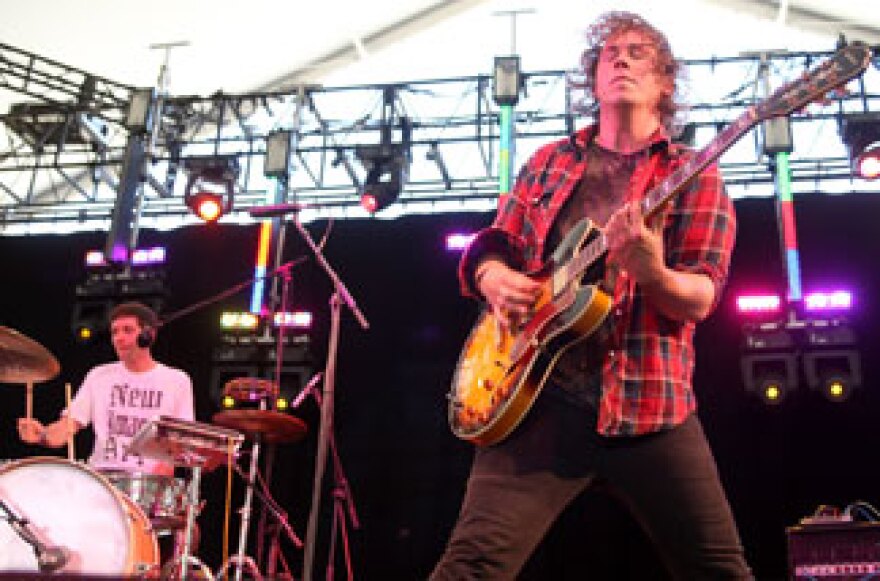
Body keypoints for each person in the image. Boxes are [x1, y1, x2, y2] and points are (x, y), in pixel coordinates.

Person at [431, 11, 751, 580]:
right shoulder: (549, 162)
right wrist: (492, 276)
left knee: (720, 571)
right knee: (469, 569)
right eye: (610, 54)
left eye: (638, 53)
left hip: (650, 406)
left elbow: (700, 297)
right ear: (595, 79)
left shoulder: (694, 174)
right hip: (536, 402)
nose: (622, 60)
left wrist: (652, 272)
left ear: (665, 83)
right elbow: (493, 244)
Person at [17, 301, 194, 476]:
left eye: (128, 330)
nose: (119, 337)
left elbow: (182, 442)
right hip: (103, 479)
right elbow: (68, 426)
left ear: (149, 335)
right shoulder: (99, 376)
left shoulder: (177, 380)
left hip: (150, 482)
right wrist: (42, 435)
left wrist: (160, 475)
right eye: (114, 332)